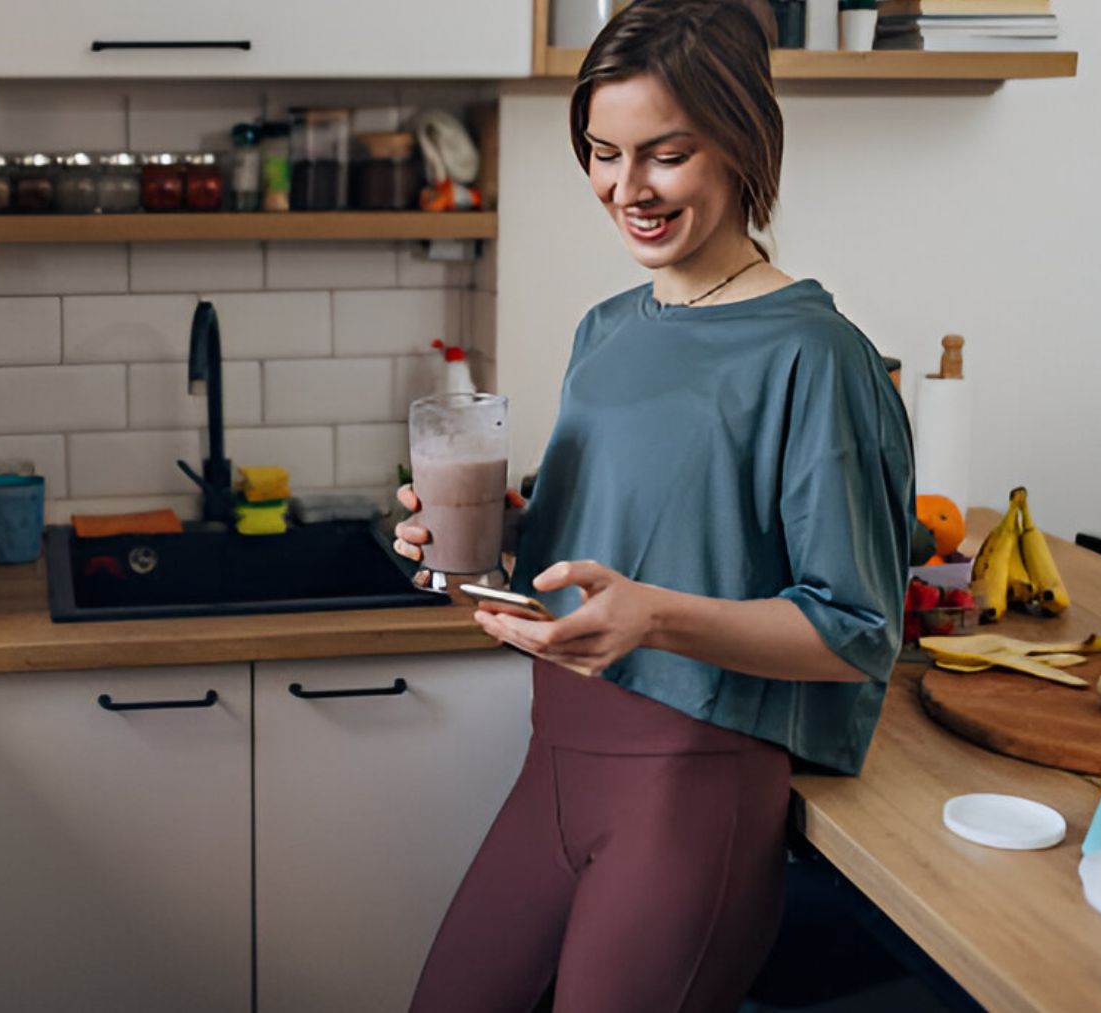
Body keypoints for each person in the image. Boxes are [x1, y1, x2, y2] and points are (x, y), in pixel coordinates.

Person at [395, 2, 914, 1010]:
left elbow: (856, 630)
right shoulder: (606, 330)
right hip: (552, 761)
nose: (625, 188)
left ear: (740, 142)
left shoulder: (816, 354)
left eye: (664, 155)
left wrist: (656, 614)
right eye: (601, 152)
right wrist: (474, 541)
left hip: (693, 791)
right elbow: (588, 562)